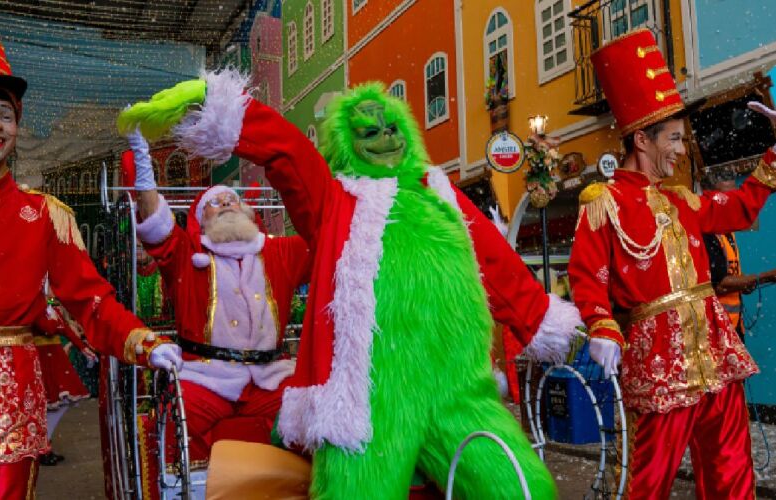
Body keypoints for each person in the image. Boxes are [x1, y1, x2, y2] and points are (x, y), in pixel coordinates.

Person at [119, 69, 584, 499]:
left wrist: (542, 321)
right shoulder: (336, 202)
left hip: (458, 392)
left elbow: (496, 263)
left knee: (521, 488)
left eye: (390, 129)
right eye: (368, 133)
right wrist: (223, 105)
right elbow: (288, 153)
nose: (383, 138)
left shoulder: (440, 192)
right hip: (369, 404)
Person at [0, 19, 182, 499]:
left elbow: (91, 300)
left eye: (6, 115)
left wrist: (144, 343)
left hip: (7, 409)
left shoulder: (44, 215)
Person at [567, 28, 776, 499]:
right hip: (656, 358)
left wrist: (774, 155)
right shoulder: (604, 202)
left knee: (731, 466)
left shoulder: (681, 200)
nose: (682, 150)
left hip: (714, 352)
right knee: (649, 477)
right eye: (675, 139)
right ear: (642, 138)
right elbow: (586, 276)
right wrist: (601, 325)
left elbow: (740, 207)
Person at [129, 129, 312, 471]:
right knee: (177, 423)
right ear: (201, 219)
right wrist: (144, 169)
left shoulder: (278, 252)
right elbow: (157, 226)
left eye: (232, 199)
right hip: (205, 376)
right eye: (216, 201)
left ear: (248, 213)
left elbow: (324, 240)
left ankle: (293, 487)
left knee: (310, 415)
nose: (227, 203)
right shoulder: (189, 254)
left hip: (270, 374)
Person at [701, 168, 776, 340]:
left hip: (734, 326)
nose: (732, 204)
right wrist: (765, 277)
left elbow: (728, 276)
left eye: (735, 196)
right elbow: (720, 284)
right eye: (726, 198)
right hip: (717, 331)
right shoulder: (706, 233)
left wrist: (744, 282)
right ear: (709, 197)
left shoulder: (727, 230)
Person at [32, 293, 95, 466]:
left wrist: (82, 348)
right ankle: (42, 446)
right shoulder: (35, 306)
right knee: (49, 402)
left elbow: (64, 328)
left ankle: (44, 444)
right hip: (43, 357)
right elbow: (49, 327)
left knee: (58, 402)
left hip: (53, 356)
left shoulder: (48, 306)